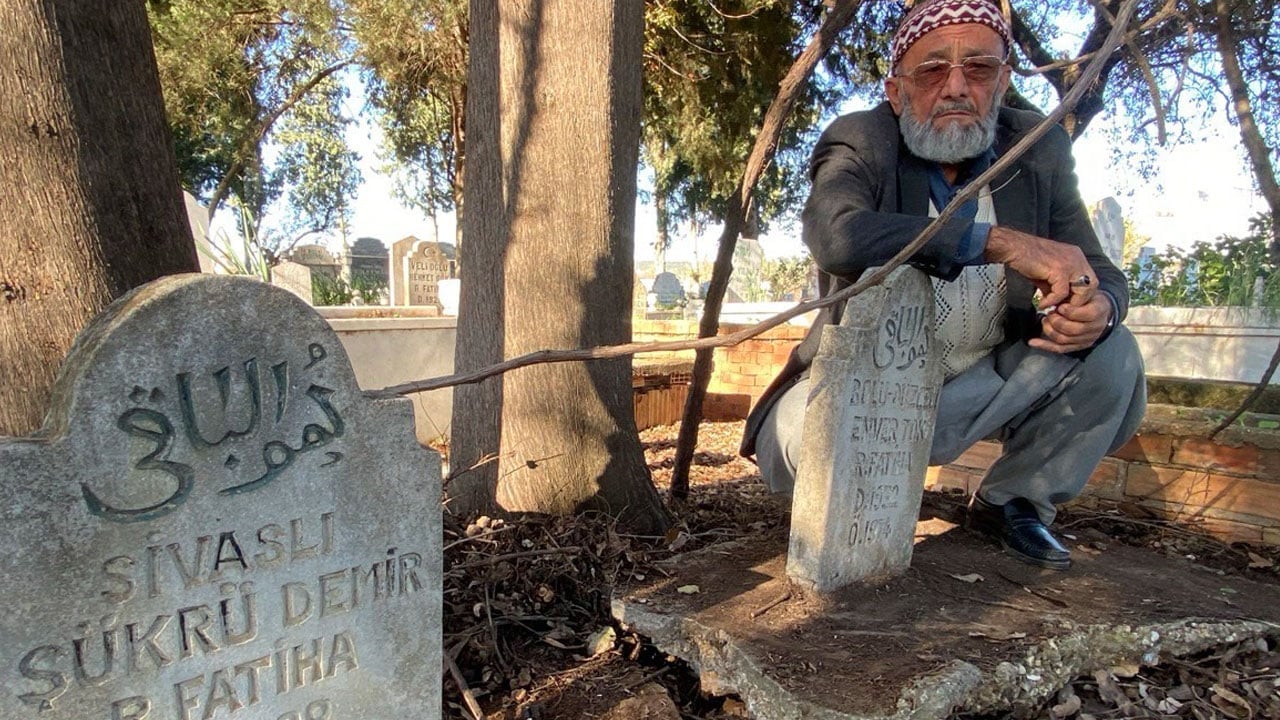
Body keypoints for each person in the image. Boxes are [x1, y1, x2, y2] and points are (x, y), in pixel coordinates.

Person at [739, 0, 1146, 571]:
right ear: (897, 91)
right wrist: (1000, 242)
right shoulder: (862, 138)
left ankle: (1013, 502)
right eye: (932, 70)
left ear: (1003, 81)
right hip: (863, 390)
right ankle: (863, 506)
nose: (956, 87)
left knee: (1113, 352)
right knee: (806, 435)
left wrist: (1098, 304)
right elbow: (837, 235)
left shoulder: (1037, 147)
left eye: (978, 69)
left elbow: (1095, 265)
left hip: (984, 385)